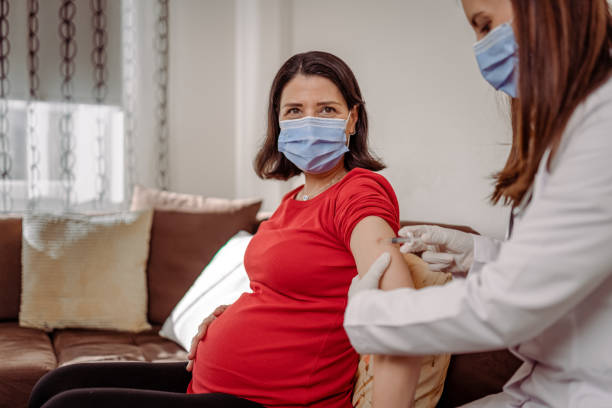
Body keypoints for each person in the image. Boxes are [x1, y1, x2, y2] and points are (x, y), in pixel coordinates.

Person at [29, 51, 421, 408]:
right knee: (55, 384)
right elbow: (289, 288)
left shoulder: (359, 192)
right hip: (215, 384)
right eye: (294, 110)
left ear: (352, 118)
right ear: (278, 122)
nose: (309, 123)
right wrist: (230, 315)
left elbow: (399, 310)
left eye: (327, 109)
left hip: (273, 402)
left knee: (67, 407)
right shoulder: (292, 200)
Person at [344, 1, 612, 407]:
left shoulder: (603, 126)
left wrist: (372, 314)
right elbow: (559, 260)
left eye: (486, 26)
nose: (482, 47)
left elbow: (510, 302)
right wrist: (476, 254)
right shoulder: (576, 120)